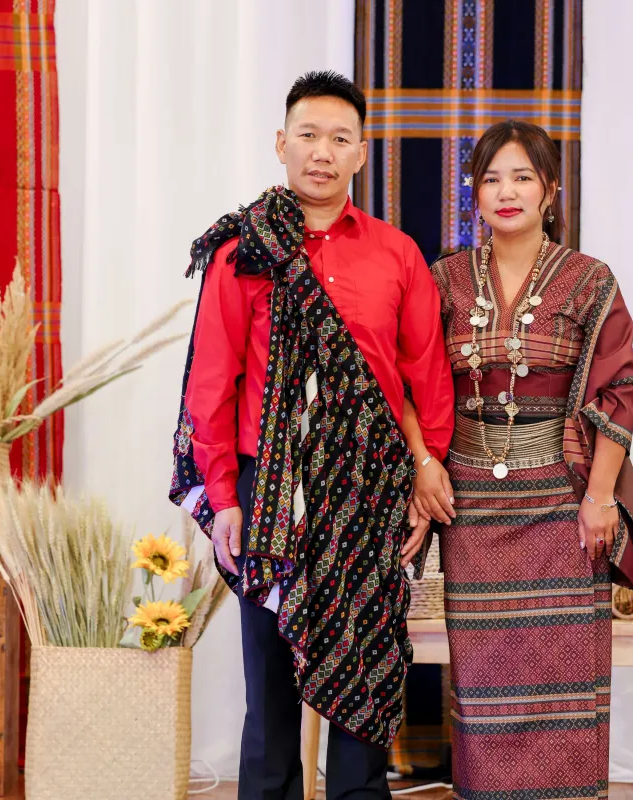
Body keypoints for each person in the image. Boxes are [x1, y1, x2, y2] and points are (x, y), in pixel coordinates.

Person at [169, 71, 455, 800]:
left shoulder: (396, 254)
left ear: (362, 152)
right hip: (268, 490)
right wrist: (223, 498)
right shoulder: (244, 250)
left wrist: (425, 475)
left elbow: (426, 375)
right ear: (281, 143)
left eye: (339, 138)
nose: (322, 152)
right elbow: (212, 383)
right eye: (307, 135)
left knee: (363, 670)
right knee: (269, 685)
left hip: (369, 488)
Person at [401, 120, 633, 800]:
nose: (506, 192)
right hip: (472, 504)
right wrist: (423, 464)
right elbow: (407, 380)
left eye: (522, 177)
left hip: (563, 504)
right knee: (483, 690)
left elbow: (620, 388)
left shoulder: (590, 280)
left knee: (566, 680)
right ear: (474, 193)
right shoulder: (443, 280)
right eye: (491, 179)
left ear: (550, 191)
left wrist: (599, 498)